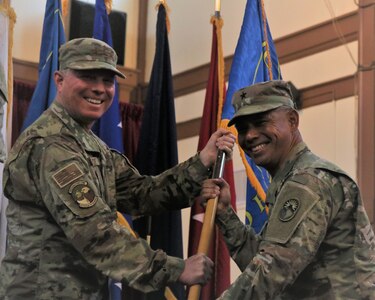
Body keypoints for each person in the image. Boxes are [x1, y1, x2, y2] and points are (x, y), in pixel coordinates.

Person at [0, 38, 236, 299]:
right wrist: (175, 269)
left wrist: (203, 160)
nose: (100, 89)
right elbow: (95, 234)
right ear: (59, 80)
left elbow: (142, 194)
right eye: (88, 77)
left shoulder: (91, 146)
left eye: (107, 80)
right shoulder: (50, 146)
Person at [201, 80, 375, 299]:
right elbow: (261, 262)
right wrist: (225, 214)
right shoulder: (291, 180)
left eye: (261, 122)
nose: (250, 136)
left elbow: (271, 272)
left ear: (292, 121)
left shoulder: (307, 181)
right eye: (243, 129)